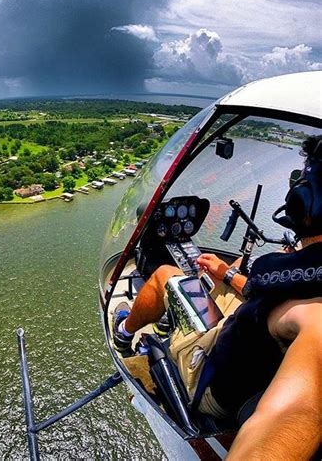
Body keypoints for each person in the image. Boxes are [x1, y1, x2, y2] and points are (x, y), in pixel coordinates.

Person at [113, 135, 322, 459]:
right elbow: (264, 292)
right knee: (235, 267)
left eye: (302, 180)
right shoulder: (306, 276)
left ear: (306, 201)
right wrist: (226, 273)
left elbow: (294, 412)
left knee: (165, 276)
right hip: (249, 346)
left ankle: (124, 330)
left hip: (210, 378)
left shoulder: (315, 316)